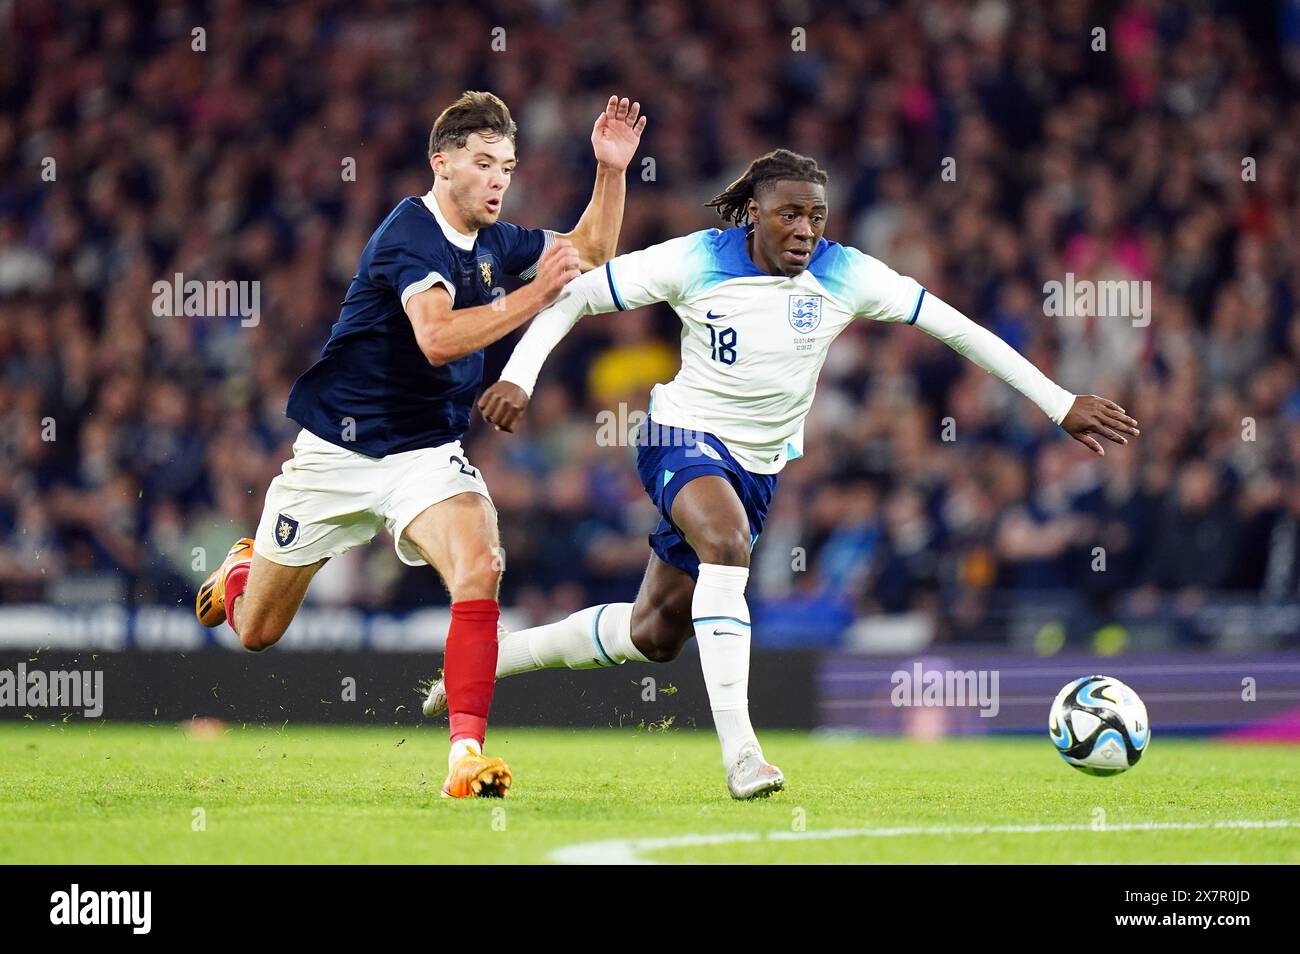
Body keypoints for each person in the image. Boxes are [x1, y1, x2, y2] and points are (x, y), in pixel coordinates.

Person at [423, 148, 1140, 799]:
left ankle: (491, 662)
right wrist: (519, 375)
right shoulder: (695, 259)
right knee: (726, 546)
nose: (804, 229)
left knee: (656, 635)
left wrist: (1059, 402)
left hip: (759, 468)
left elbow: (956, 327)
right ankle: (743, 756)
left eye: (816, 216)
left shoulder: (845, 272)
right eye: (789, 214)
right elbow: (577, 293)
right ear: (752, 215)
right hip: (680, 437)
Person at [195, 91, 646, 798]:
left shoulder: (497, 244)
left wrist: (612, 171)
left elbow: (588, 252)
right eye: (484, 163)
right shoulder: (410, 232)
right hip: (337, 455)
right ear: (442, 164)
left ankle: (464, 757)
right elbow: (436, 339)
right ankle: (241, 574)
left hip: (425, 456)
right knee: (255, 631)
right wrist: (534, 299)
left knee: (482, 563)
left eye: (509, 165)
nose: (500, 179)